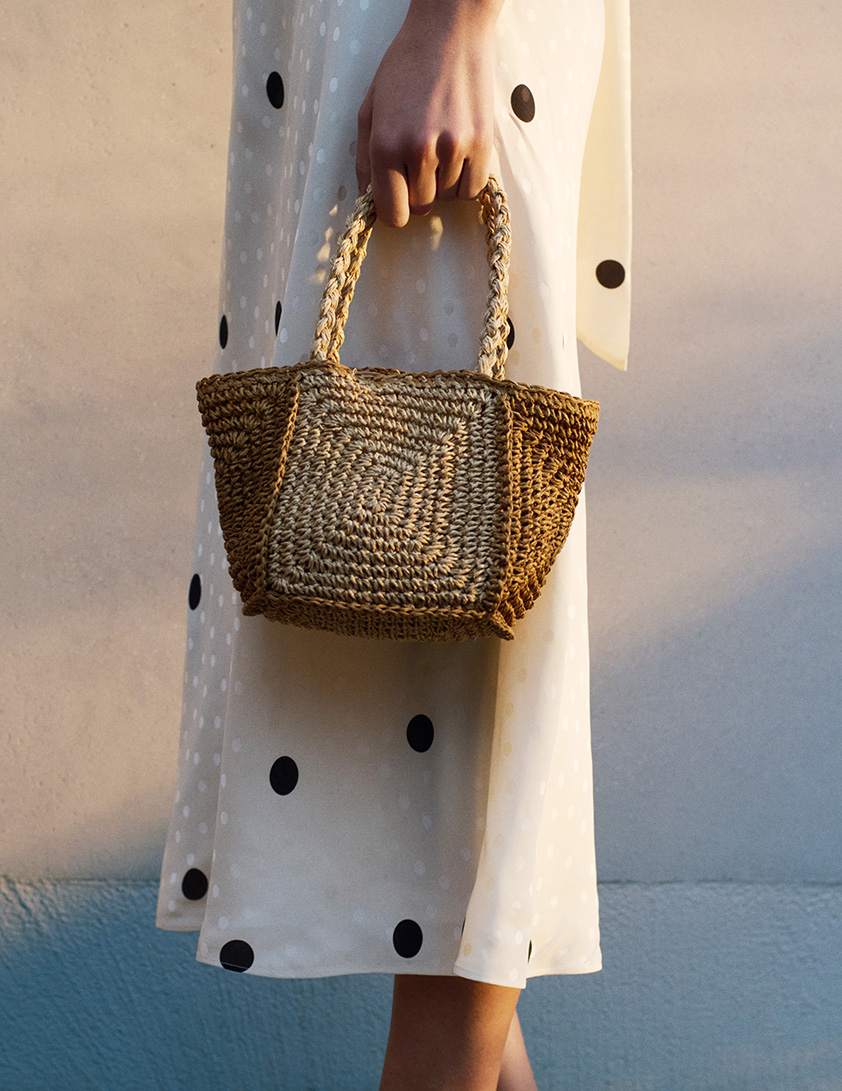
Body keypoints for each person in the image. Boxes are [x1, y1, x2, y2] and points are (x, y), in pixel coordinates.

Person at [157, 0, 631, 1088]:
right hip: (353, 41)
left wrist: (449, 25)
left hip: (420, 36)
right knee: (440, 761)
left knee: (477, 634)